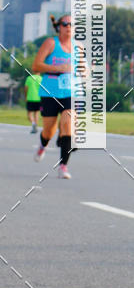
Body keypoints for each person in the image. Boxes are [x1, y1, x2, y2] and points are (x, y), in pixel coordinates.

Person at [31, 14, 75, 179]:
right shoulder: (51, 43)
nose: (68, 27)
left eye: (72, 24)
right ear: (59, 27)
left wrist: (86, 71)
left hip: (70, 92)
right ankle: (43, 144)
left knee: (68, 126)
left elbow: (85, 68)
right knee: (49, 131)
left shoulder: (78, 47)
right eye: (65, 24)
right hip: (50, 93)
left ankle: (63, 166)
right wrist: (59, 68)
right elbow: (36, 66)